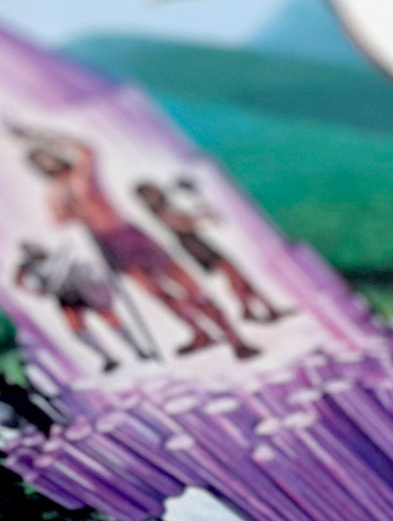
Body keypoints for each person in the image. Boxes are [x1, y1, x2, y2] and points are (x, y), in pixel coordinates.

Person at [13, 128, 257, 361]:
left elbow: (87, 148)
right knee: (159, 294)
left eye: (47, 156)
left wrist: (35, 135)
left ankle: (235, 339)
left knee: (189, 287)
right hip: (110, 246)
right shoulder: (55, 191)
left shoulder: (81, 173)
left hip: (130, 235)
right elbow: (58, 220)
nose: (47, 162)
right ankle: (200, 333)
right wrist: (70, 209)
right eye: (40, 162)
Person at [135, 176, 287, 325]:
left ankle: (260, 308)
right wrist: (201, 218)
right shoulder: (161, 211)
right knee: (234, 274)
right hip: (196, 247)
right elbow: (183, 225)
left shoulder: (165, 206)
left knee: (237, 275)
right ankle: (255, 308)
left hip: (198, 243)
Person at [15, 239, 151, 373]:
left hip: (83, 291)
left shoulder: (60, 256)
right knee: (78, 331)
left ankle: (139, 349)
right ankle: (108, 358)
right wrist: (36, 290)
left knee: (113, 321)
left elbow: (83, 268)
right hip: (66, 298)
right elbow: (20, 282)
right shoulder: (30, 267)